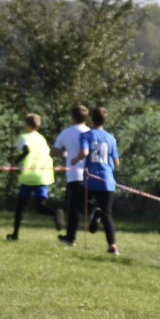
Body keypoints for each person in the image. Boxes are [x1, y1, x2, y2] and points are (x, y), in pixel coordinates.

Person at [7, 113, 64, 241]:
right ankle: (56, 213)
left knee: (20, 206)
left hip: (29, 176)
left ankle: (15, 234)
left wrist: (15, 162)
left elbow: (26, 150)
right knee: (40, 206)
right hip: (43, 175)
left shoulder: (24, 137)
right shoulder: (41, 138)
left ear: (26, 124)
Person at [72, 106, 120, 255]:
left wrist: (74, 160)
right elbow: (116, 162)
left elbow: (85, 152)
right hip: (107, 179)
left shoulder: (87, 136)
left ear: (91, 119)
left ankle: (93, 209)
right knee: (107, 214)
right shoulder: (111, 138)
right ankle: (113, 246)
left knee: (79, 204)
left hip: (91, 178)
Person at [52, 104, 91, 247]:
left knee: (74, 206)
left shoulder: (66, 132)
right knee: (82, 202)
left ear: (73, 117)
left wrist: (64, 154)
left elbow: (55, 150)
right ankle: (93, 210)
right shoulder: (90, 132)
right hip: (89, 173)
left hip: (74, 173)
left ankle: (70, 237)